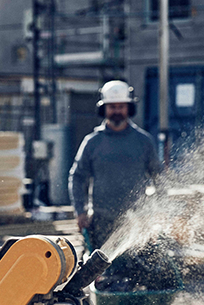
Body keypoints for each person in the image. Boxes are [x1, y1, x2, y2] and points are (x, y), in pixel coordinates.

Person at [69, 80, 163, 252]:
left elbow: (159, 177)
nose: (117, 111)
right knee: (99, 272)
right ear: (103, 109)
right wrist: (80, 211)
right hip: (101, 221)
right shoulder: (92, 142)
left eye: (121, 106)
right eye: (112, 107)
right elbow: (77, 177)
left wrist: (159, 211)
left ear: (129, 108)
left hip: (136, 220)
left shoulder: (143, 141)